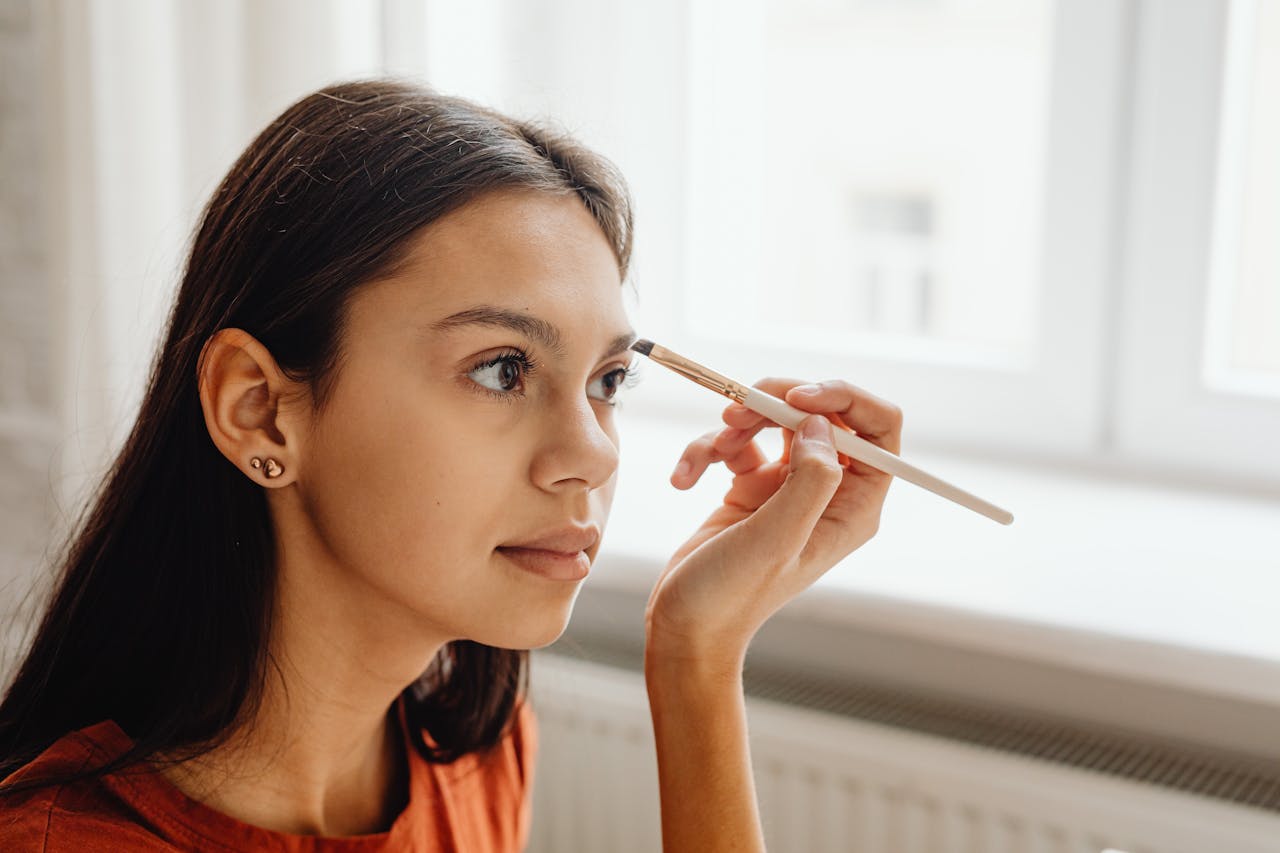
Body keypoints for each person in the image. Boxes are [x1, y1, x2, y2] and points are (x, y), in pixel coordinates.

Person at [0, 79, 902, 851]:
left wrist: (697, 652)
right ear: (259, 410)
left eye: (608, 379)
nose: (592, 452)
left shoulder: (471, 750)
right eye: (503, 367)